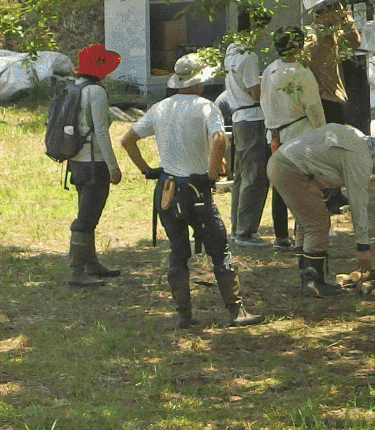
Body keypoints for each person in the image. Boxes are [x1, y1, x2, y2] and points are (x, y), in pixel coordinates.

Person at [121, 54, 263, 329]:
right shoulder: (206, 107)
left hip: (167, 188)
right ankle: (237, 312)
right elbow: (220, 138)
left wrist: (148, 170)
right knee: (219, 250)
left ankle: (184, 314)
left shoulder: (160, 108)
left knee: (178, 250)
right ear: (198, 82)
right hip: (196, 190)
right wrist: (212, 173)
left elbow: (128, 140)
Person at [268, 118, 375, 297]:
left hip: (282, 162)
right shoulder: (361, 157)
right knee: (317, 225)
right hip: (289, 168)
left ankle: (306, 279)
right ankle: (313, 283)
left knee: (306, 223)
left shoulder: (355, 140)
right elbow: (358, 203)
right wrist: (363, 247)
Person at [64, 43, 126, 287]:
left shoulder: (73, 87)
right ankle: (77, 271)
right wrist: (113, 166)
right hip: (94, 162)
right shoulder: (96, 92)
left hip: (76, 161)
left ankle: (91, 264)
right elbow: (101, 131)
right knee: (87, 218)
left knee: (86, 212)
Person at [259, 26, 324, 249]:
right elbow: (314, 109)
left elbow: (264, 101)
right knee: (301, 185)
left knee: (279, 184)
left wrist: (272, 130)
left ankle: (281, 235)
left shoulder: (269, 70)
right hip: (298, 134)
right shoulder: (302, 74)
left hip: (274, 133)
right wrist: (321, 133)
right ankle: (301, 233)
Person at [222, 23, 270, 247]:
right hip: (251, 117)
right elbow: (255, 92)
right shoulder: (248, 56)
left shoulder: (232, 49)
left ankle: (237, 227)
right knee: (255, 175)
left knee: (241, 175)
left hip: (238, 116)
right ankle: (245, 231)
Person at [301, 0, 350, 127]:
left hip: (336, 100)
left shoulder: (330, 33)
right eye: (334, 6)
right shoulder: (314, 39)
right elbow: (302, 65)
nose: (338, 9)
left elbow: (354, 41)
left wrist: (347, 19)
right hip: (326, 103)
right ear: (323, 11)